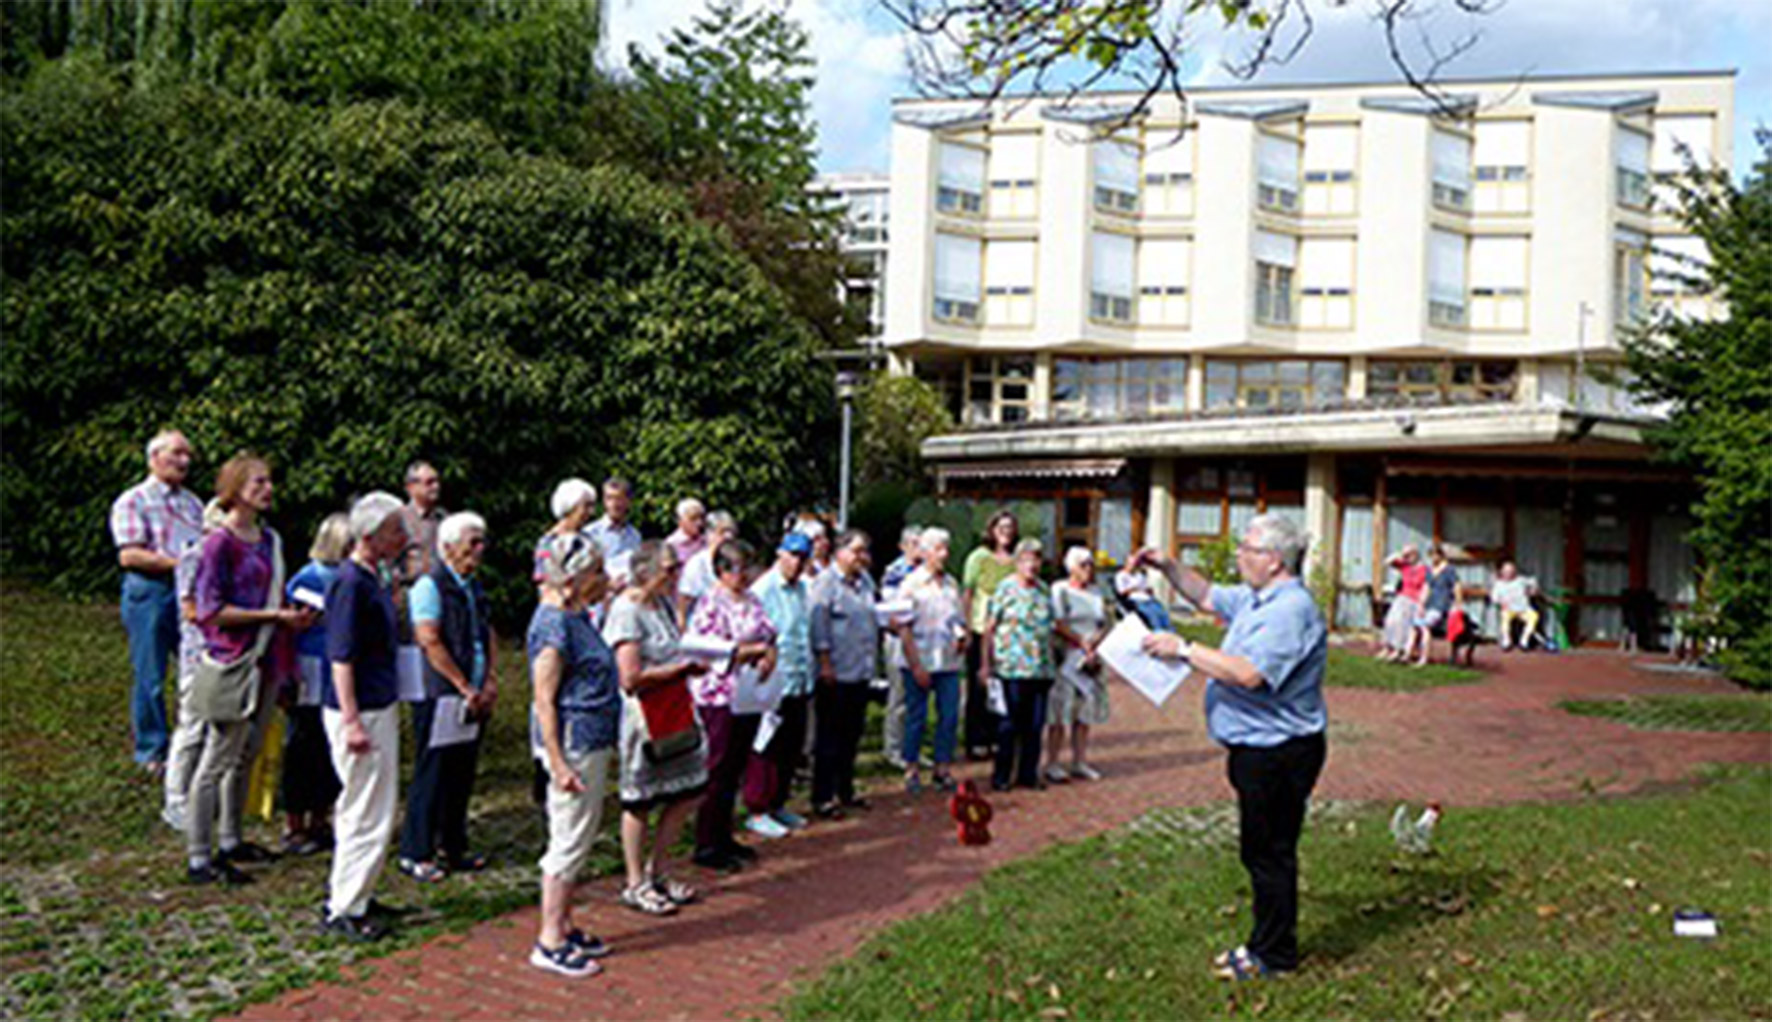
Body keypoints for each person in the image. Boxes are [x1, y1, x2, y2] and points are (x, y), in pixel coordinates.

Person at [1134, 513, 1328, 980]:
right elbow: (1205, 594)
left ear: (1275, 560)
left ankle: (1275, 956)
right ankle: (1264, 943)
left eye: (1249, 549)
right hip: (1257, 747)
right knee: (1260, 850)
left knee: (1270, 853)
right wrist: (1165, 565)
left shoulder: (1289, 610)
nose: (1240, 555)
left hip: (1280, 751)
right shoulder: (1259, 598)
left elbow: (1248, 673)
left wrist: (1183, 649)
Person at [185, 454, 308, 886]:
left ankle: (231, 838)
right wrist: (272, 617)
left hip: (267, 660)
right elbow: (210, 610)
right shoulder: (219, 543)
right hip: (233, 660)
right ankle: (200, 855)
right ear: (235, 488)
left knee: (246, 753)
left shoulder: (269, 539)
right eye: (258, 482)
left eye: (269, 481)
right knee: (217, 758)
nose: (268, 488)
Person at [528, 534, 622, 978]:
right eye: (596, 573)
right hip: (575, 743)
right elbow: (543, 699)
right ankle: (548, 939)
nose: (604, 580)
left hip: (592, 739)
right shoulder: (553, 624)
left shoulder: (575, 614)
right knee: (568, 838)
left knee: (580, 834)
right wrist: (558, 761)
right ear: (573, 578)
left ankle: (564, 923)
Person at [322, 491, 411, 941]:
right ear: (372, 535)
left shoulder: (372, 577)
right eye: (396, 530)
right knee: (364, 808)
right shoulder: (350, 582)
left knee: (374, 803)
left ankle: (359, 890)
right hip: (361, 708)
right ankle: (345, 905)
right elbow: (341, 654)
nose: (404, 537)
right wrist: (352, 719)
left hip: (378, 700)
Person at [604, 541, 709, 916]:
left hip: (677, 707)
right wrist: (678, 670)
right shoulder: (627, 610)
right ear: (645, 571)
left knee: (688, 789)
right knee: (640, 801)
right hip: (645, 716)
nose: (675, 575)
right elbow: (630, 677)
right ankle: (635, 881)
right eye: (668, 568)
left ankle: (661, 868)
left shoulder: (662, 603)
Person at [398, 513, 498, 882]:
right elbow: (429, 639)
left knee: (462, 770)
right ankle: (416, 849)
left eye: (481, 541)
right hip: (440, 692)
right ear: (449, 546)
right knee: (433, 769)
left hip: (472, 689)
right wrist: (461, 684)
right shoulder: (430, 586)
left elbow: (486, 632)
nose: (479, 549)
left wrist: (488, 680)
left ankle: (453, 845)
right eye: (472, 542)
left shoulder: (473, 585)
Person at [111, 429, 204, 773]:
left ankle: (191, 741)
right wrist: (182, 564)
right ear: (154, 458)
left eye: (188, 455)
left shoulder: (193, 503)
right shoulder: (134, 500)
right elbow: (130, 555)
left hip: (189, 593)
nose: (185, 461)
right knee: (150, 674)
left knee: (195, 667)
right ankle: (152, 750)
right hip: (151, 591)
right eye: (177, 453)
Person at [686, 539, 778, 862]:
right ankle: (706, 842)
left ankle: (725, 835)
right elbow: (709, 648)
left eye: (747, 568)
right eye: (738, 569)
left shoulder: (752, 599)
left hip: (748, 693)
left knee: (738, 765)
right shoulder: (710, 603)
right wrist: (751, 652)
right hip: (718, 695)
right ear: (721, 571)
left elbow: (768, 633)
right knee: (717, 767)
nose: (745, 576)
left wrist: (770, 655)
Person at [281, 513, 349, 856]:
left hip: (336, 673)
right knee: (302, 747)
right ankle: (295, 822)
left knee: (328, 750)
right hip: (308, 669)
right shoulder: (309, 578)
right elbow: (294, 626)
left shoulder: (351, 577)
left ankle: (322, 817)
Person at [162, 498, 226, 832]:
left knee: (217, 729)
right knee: (192, 728)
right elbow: (190, 609)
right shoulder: (195, 556)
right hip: (198, 654)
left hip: (225, 654)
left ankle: (207, 797)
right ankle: (175, 800)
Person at [809, 529, 878, 818]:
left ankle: (845, 789)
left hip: (860, 669)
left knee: (852, 734)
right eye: (856, 550)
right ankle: (823, 796)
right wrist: (825, 663)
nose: (861, 557)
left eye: (864, 551)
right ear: (840, 552)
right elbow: (818, 625)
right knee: (829, 738)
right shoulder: (826, 583)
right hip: (835, 671)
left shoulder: (865, 582)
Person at [749, 532, 816, 831]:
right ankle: (758, 808)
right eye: (793, 555)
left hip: (799, 678)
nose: (797, 563)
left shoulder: (802, 589)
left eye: (803, 557)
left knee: (791, 747)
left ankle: (779, 803)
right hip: (772, 679)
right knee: (766, 747)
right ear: (780, 554)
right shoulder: (763, 589)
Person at [894, 527, 966, 794]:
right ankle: (911, 767)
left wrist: (961, 635)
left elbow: (958, 619)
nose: (944, 554)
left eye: (945, 548)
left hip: (947, 661)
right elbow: (903, 627)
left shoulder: (951, 584)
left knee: (949, 716)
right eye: (938, 549)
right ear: (924, 553)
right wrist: (915, 665)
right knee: (917, 716)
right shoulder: (910, 585)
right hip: (919, 659)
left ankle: (942, 768)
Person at [983, 539, 1056, 792]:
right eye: (1026, 559)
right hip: (1010, 667)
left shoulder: (1044, 590)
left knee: (1035, 726)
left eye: (1036, 559)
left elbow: (1052, 627)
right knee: (1008, 725)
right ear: (1017, 562)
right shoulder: (1005, 590)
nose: (1032, 565)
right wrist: (985, 664)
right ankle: (1002, 775)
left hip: (1041, 668)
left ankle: (1029, 773)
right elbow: (989, 628)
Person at [1047, 546, 1111, 784]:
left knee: (1084, 712)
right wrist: (1080, 641)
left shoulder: (1096, 592)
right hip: (1067, 657)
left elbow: (1104, 621)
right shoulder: (1060, 590)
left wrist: (1096, 641)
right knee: (1059, 711)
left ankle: (1079, 761)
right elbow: (1058, 622)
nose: (1089, 569)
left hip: (1090, 658)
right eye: (1083, 564)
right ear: (1071, 568)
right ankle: (1053, 761)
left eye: (1091, 564)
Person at [961, 511, 1019, 760]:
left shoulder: (1017, 560)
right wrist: (965, 627)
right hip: (980, 627)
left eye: (1010, 527)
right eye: (1001, 527)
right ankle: (976, 739)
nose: (1005, 531)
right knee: (979, 685)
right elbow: (968, 593)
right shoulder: (979, 558)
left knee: (1003, 686)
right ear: (992, 530)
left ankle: (998, 737)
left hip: (1008, 633)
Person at [879, 526, 923, 770]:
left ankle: (911, 749)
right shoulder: (895, 572)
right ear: (903, 546)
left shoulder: (925, 572)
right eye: (915, 543)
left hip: (921, 639)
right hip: (898, 639)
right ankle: (893, 747)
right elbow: (891, 607)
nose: (919, 548)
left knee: (916, 697)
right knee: (899, 695)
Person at [677, 510, 736, 625]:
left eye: (732, 532)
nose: (729, 536)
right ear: (710, 534)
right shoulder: (697, 564)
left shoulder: (736, 561)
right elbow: (683, 604)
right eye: (723, 532)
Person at [534, 478, 598, 582]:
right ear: (571, 506)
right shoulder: (547, 543)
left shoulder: (589, 540)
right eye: (586, 506)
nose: (591, 512)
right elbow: (543, 580)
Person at [1412, 545, 1463, 668]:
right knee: (1415, 626)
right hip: (1430, 602)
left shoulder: (1449, 570)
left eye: (1435, 555)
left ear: (1441, 555)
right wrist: (1421, 604)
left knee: (1425, 626)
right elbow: (1426, 588)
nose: (1433, 558)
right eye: (1431, 556)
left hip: (1441, 604)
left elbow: (1457, 587)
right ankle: (1408, 653)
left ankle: (1424, 657)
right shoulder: (1430, 571)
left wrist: (1458, 604)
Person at [398, 461, 447, 583]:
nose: (436, 487)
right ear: (411, 487)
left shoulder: (443, 518)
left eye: (437, 481)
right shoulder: (399, 520)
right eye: (429, 482)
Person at [1378, 545, 1427, 663]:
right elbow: (1386, 562)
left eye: (1409, 555)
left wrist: (1422, 603)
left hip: (1414, 600)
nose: (1407, 557)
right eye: (1406, 556)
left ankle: (1398, 650)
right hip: (1402, 597)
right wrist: (1400, 554)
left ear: (1415, 555)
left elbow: (1425, 588)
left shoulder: (1424, 569)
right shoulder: (1405, 567)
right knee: (1390, 620)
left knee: (1401, 622)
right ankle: (1387, 647)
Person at [585, 477, 642, 568]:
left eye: (619, 498)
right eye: (609, 498)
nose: (614, 504)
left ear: (628, 501)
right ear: (604, 501)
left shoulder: (634, 536)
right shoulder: (590, 534)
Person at [1491, 561, 1540, 651]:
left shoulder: (1521, 580)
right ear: (1502, 572)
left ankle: (1524, 640)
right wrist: (1501, 602)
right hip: (1509, 609)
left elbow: (1533, 581)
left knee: (1534, 616)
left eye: (1511, 571)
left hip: (1523, 609)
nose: (1509, 573)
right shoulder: (1498, 584)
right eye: (1506, 571)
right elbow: (1494, 598)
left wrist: (1532, 590)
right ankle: (1507, 641)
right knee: (1504, 618)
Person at [1114, 564, 1173, 632]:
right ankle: (1158, 633)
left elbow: (1146, 588)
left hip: (1148, 598)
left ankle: (1171, 633)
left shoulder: (1139, 575)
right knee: (1153, 615)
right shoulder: (1121, 576)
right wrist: (1135, 588)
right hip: (1135, 600)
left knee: (1163, 613)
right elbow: (1122, 592)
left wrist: (1148, 590)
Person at [665, 497, 708, 566]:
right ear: (681, 521)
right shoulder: (672, 544)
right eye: (693, 519)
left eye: (701, 518)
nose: (699, 523)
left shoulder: (706, 542)